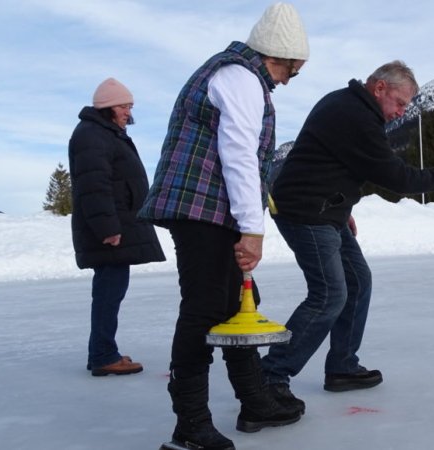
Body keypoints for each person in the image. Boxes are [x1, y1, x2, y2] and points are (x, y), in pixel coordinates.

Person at [138, 3, 309, 449]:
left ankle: (255, 400)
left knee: (240, 303)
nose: (291, 79)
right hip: (202, 210)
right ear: (280, 57)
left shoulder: (235, 74)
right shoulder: (240, 78)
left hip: (211, 208)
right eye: (295, 69)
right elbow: (237, 154)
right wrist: (253, 228)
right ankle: (190, 426)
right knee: (205, 310)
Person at [261, 61, 434, 409]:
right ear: (380, 88)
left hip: (326, 210)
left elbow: (333, 164)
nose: (401, 113)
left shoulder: (350, 106)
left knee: (357, 281)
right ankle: (269, 377)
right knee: (328, 294)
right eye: (399, 103)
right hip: (306, 211)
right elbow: (392, 174)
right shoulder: (354, 114)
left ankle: (342, 366)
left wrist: (343, 208)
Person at [68, 77, 166, 377]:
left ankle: (102, 351)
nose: (128, 112)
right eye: (124, 106)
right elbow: (93, 187)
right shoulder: (92, 135)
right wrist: (108, 228)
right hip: (109, 231)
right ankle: (102, 355)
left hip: (116, 226)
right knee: (109, 292)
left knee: (111, 290)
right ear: (108, 107)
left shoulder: (105, 133)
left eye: (130, 106)